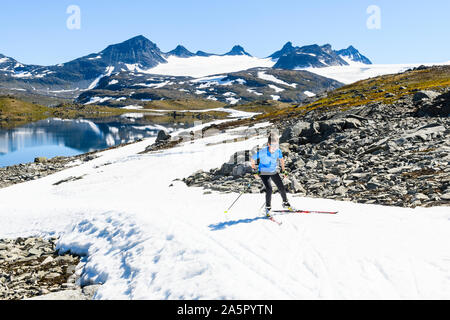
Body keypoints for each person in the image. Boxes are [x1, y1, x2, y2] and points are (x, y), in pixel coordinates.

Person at [250, 133, 292, 216]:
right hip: (263, 172)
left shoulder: (278, 151)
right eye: (273, 145)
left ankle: (285, 203)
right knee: (269, 189)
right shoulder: (262, 152)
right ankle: (268, 208)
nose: (275, 147)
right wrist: (254, 171)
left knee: (281, 187)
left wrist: (283, 171)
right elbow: (252, 159)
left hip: (273, 171)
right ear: (268, 144)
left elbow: (281, 160)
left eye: (276, 145)